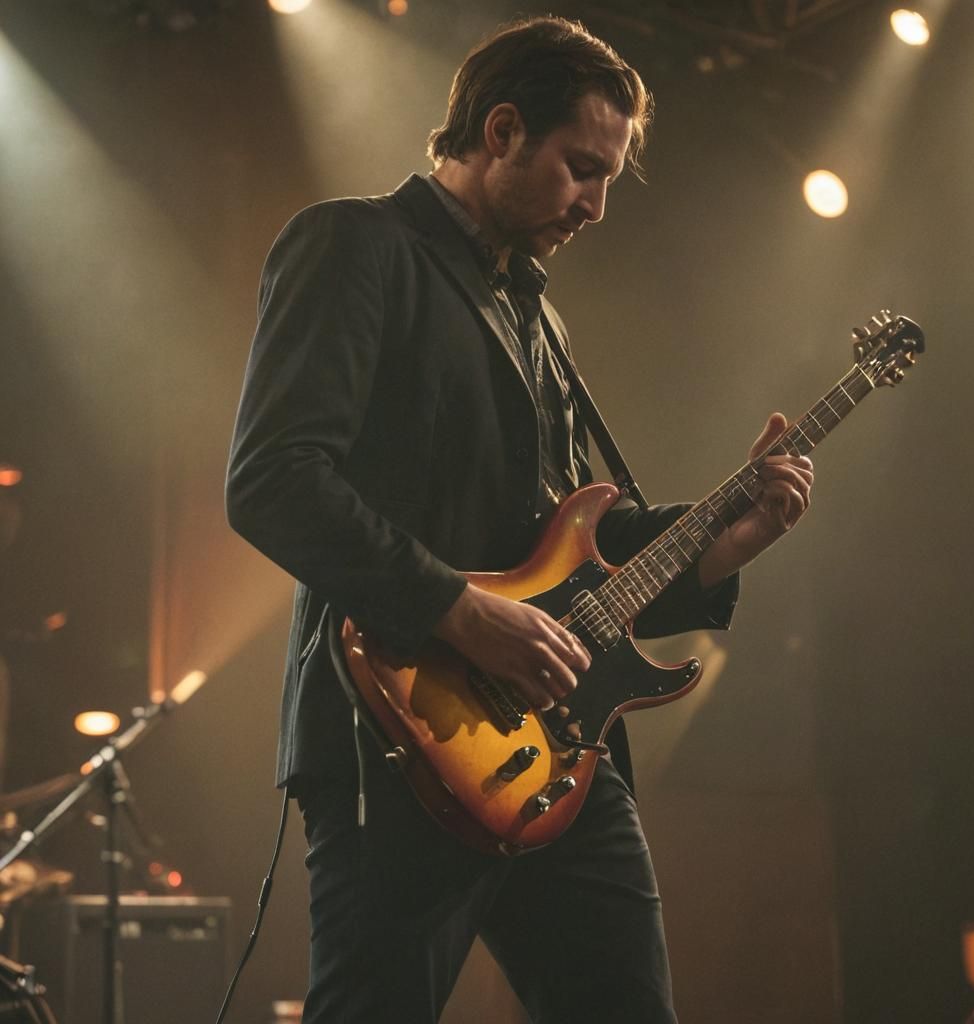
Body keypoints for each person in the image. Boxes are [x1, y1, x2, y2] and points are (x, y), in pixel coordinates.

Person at [226, 15, 813, 1023]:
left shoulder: (538, 316)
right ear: (500, 131)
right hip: (396, 735)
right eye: (580, 168)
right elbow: (273, 479)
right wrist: (457, 608)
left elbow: (571, 553)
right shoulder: (355, 245)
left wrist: (729, 536)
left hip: (558, 758)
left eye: (607, 180)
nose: (593, 205)